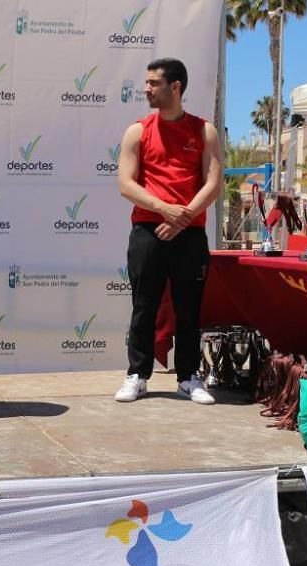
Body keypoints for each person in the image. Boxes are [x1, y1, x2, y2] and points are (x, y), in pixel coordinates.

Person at [114, 58, 222, 405]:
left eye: (153, 83)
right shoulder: (138, 130)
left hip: (189, 232)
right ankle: (137, 375)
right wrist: (165, 210)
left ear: (175, 87)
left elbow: (214, 182)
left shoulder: (204, 130)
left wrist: (184, 216)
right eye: (146, 83)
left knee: (188, 308)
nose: (146, 89)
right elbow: (126, 184)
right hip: (148, 230)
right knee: (143, 306)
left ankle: (188, 376)